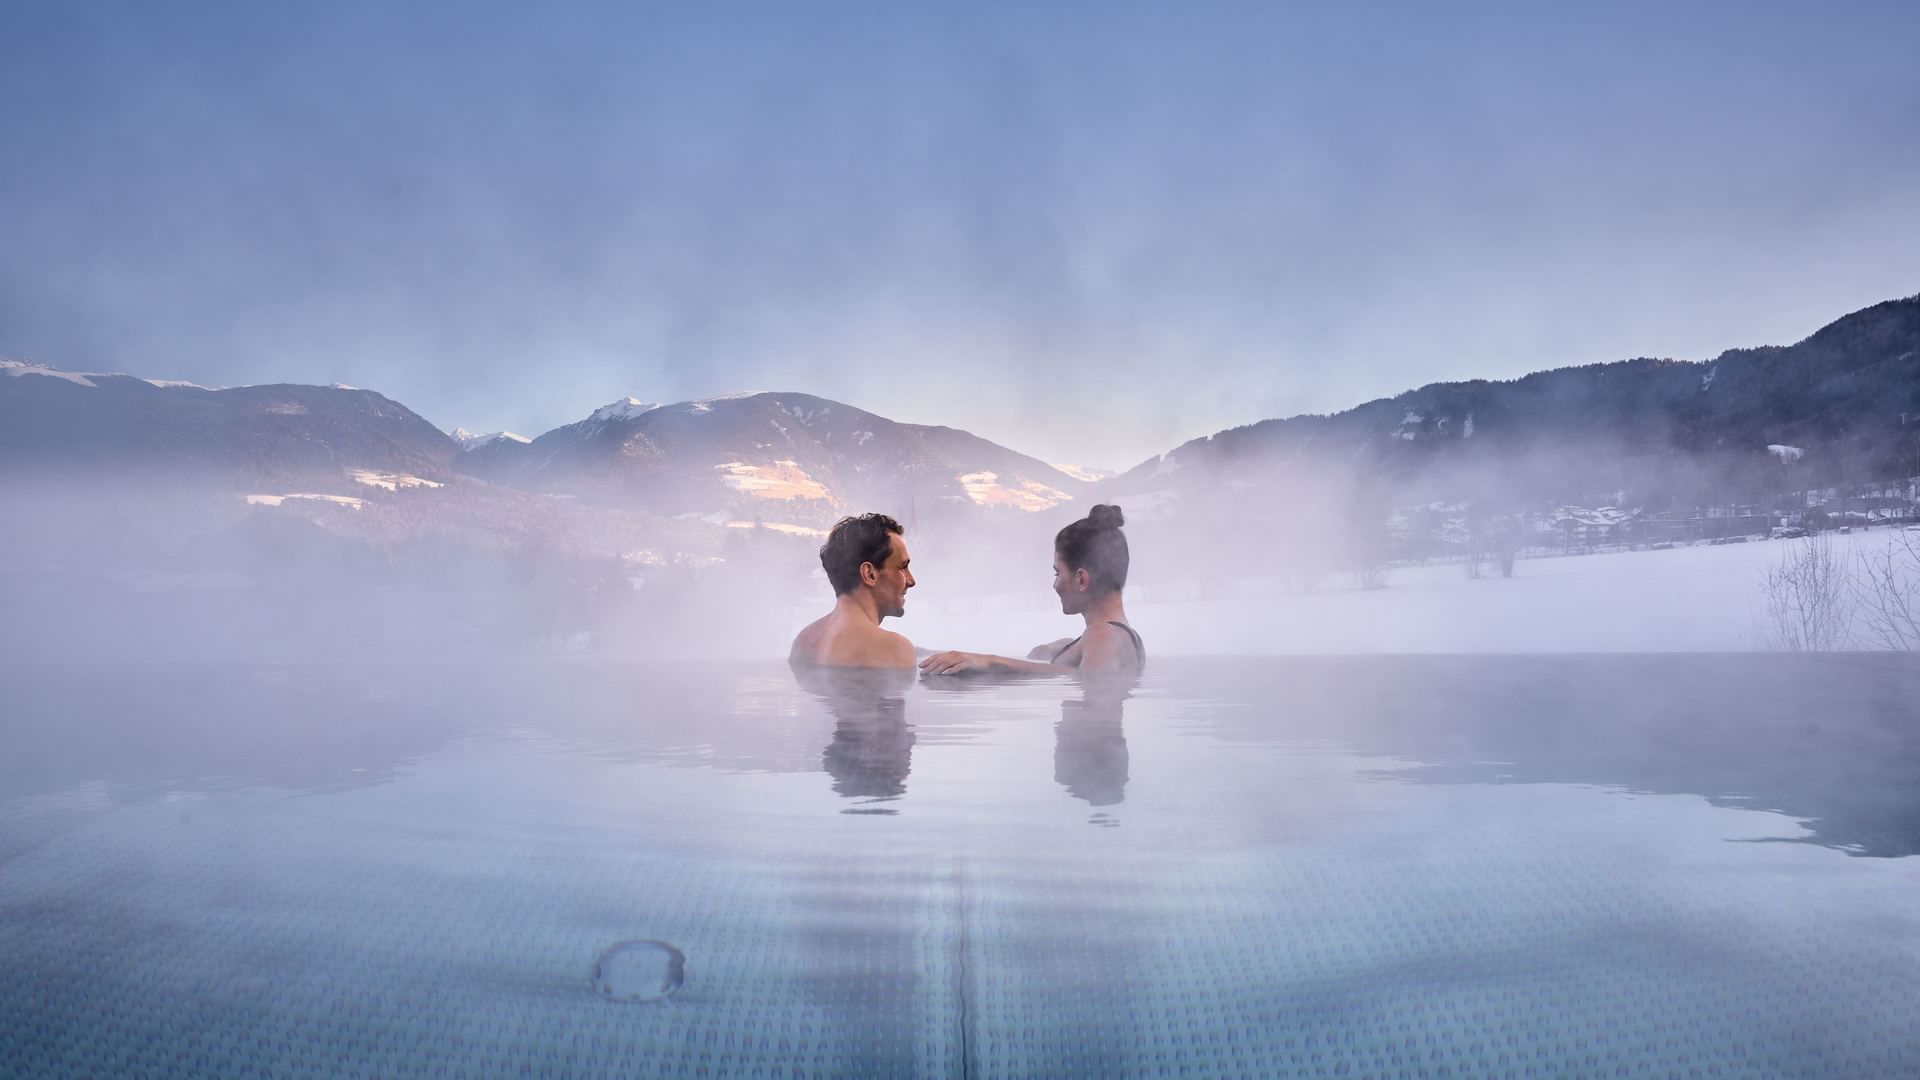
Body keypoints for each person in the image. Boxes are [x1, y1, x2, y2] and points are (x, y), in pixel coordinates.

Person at [919, 504, 1144, 676]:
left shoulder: (1103, 636)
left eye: (1058, 573)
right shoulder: (1117, 637)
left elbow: (1091, 684)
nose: (1054, 585)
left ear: (1081, 579)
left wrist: (992, 662)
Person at [789, 513, 917, 668]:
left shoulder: (803, 642)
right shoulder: (894, 650)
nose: (911, 581)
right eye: (902, 567)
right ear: (869, 574)